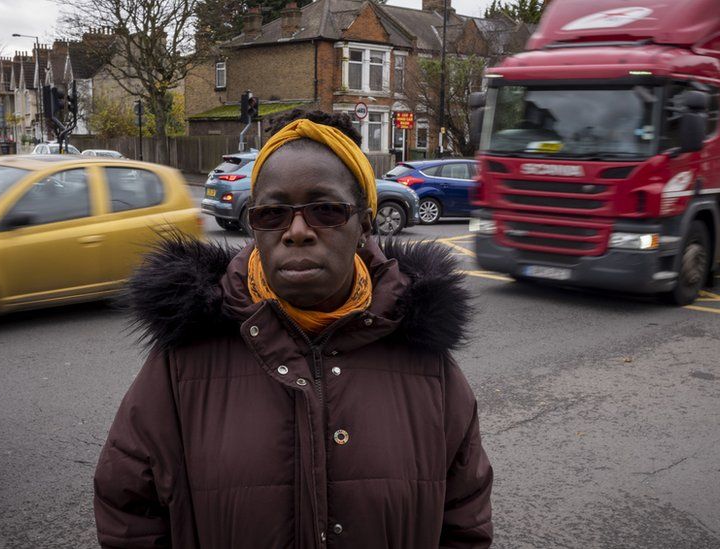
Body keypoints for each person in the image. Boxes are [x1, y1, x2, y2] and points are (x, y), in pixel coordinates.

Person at [93, 110, 493, 548]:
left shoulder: (425, 359)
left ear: (364, 223)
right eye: (272, 214)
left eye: (325, 210)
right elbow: (128, 508)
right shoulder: (183, 360)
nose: (297, 231)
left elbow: (465, 516)